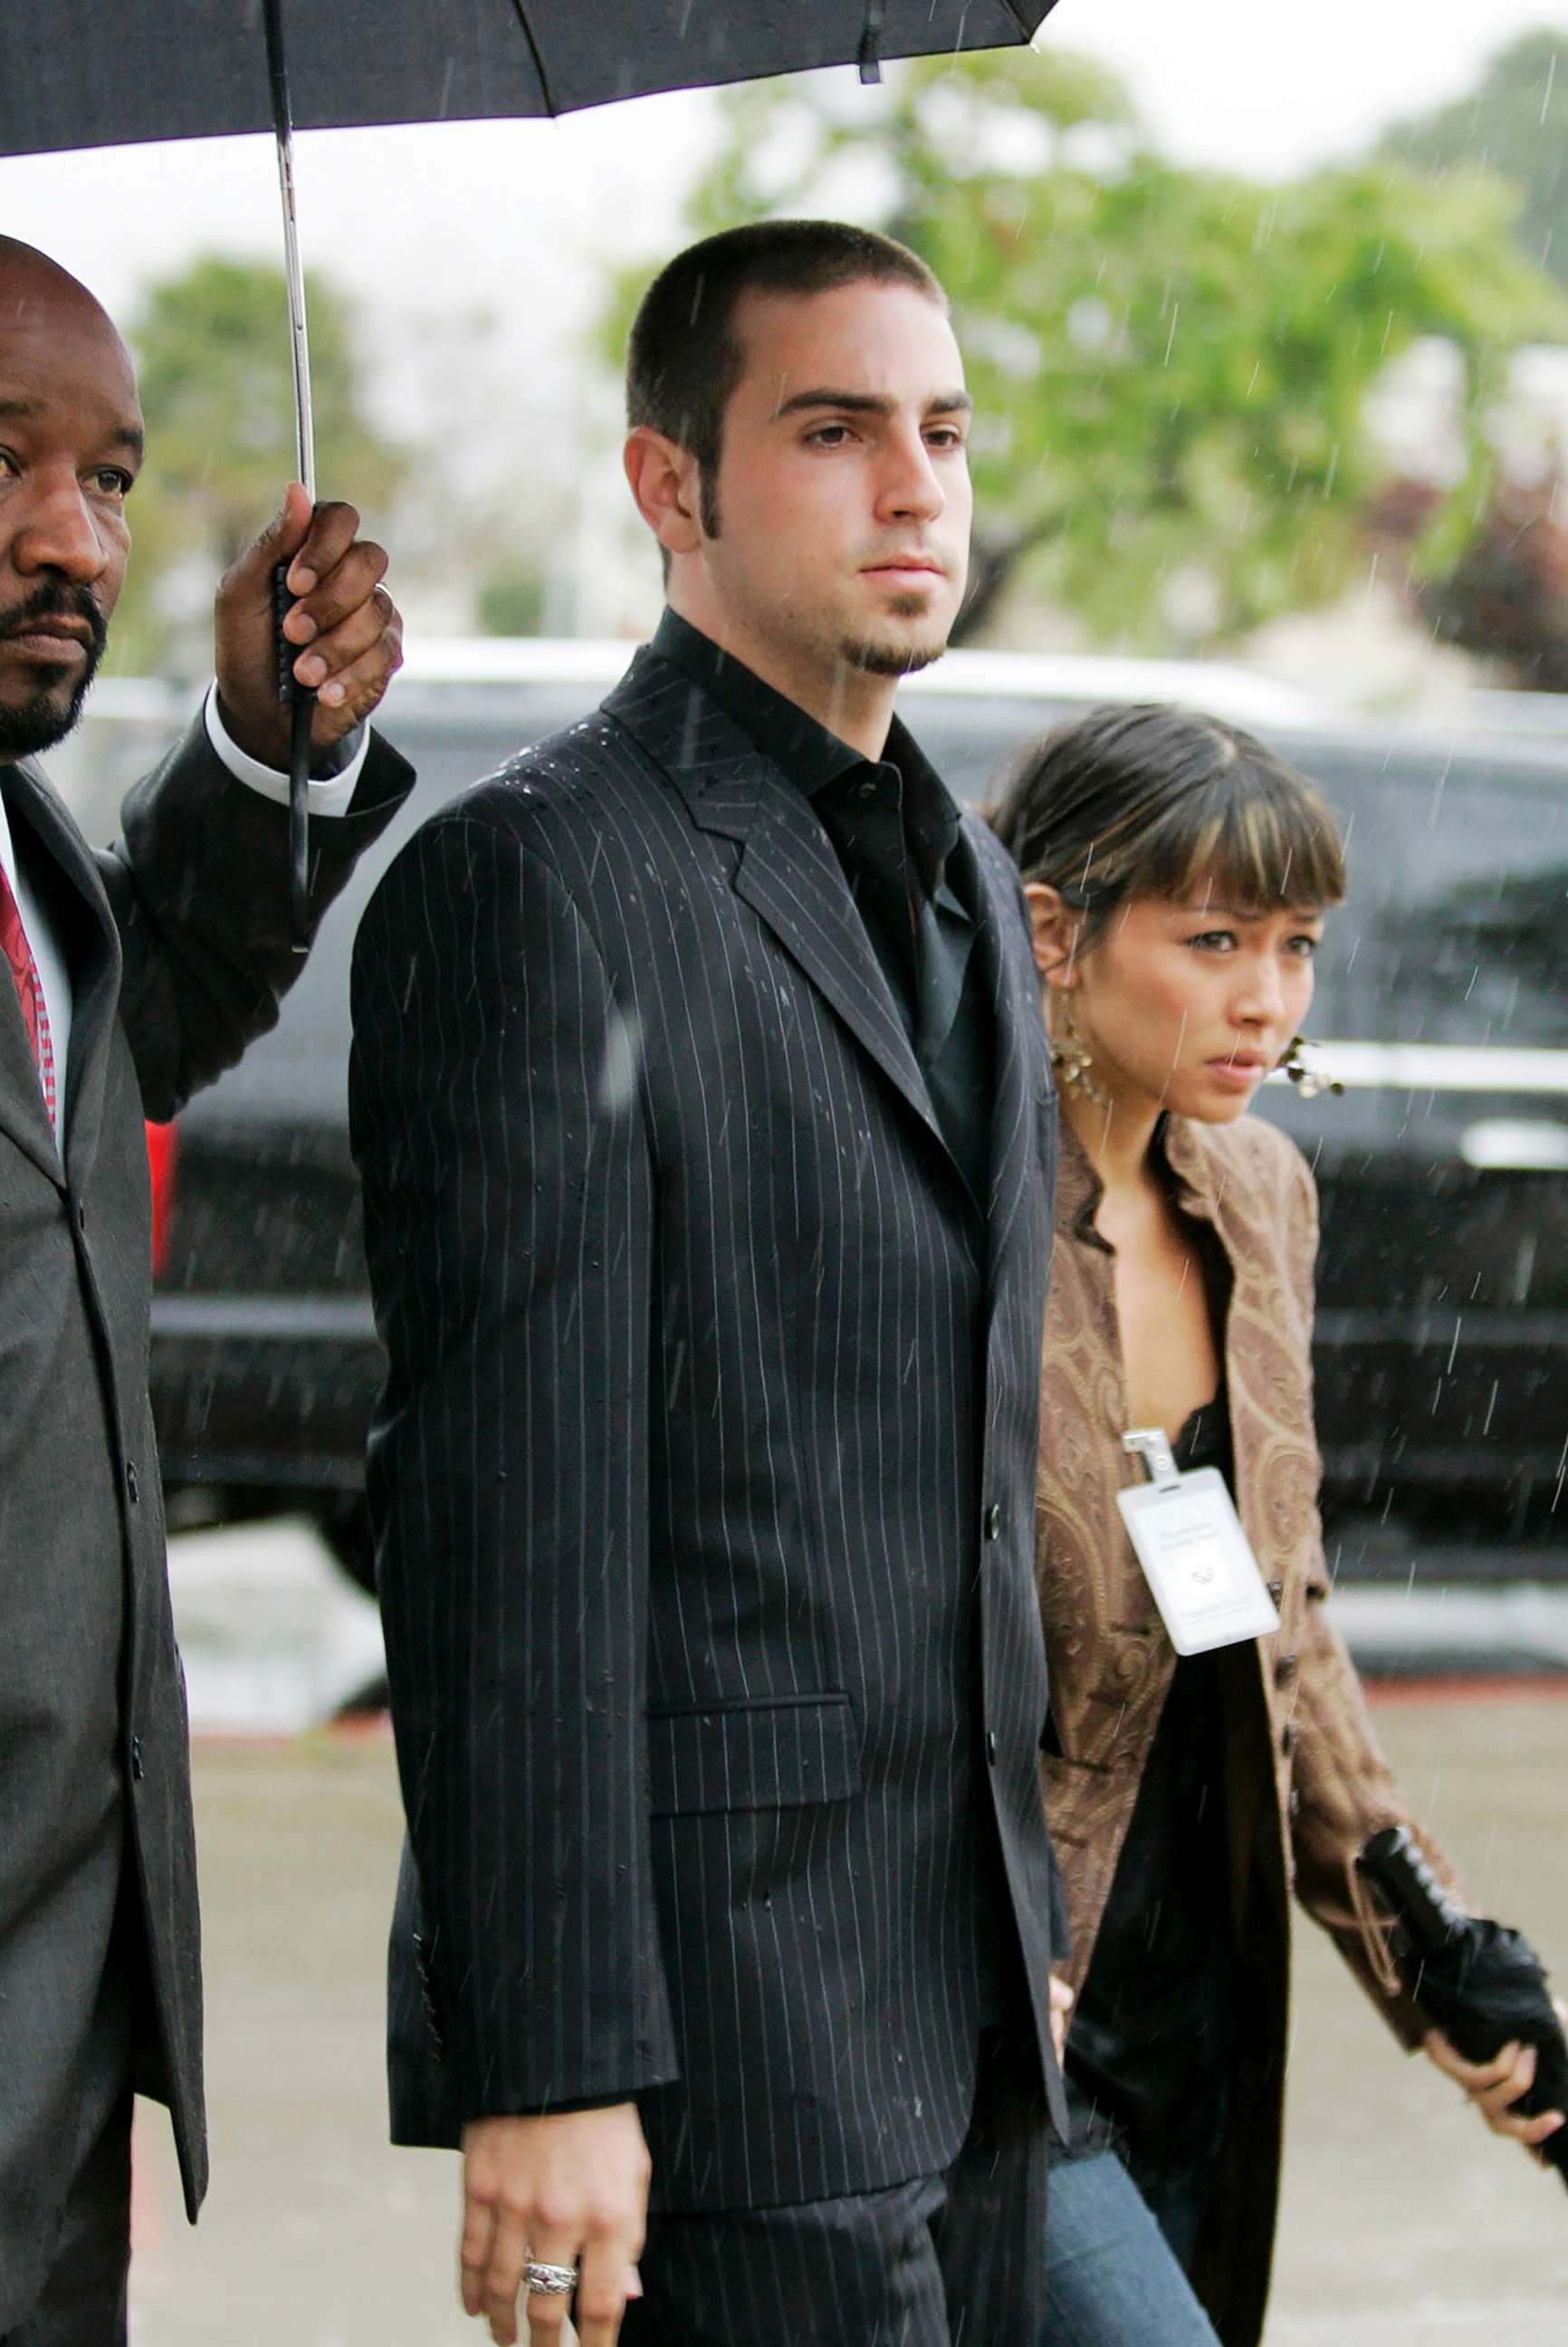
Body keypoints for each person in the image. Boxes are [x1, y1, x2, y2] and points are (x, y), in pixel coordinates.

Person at [349, 219, 1069, 2347]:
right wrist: (552, 2060)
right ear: (671, 486)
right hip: (720, 2057)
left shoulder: (961, 875)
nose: (914, 485)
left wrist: (1011, 1904)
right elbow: (505, 1533)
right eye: (832, 430)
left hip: (972, 2031)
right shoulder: (535, 883)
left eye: (939, 430)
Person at [988, 703, 1567, 2347]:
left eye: (1298, 944)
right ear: (1054, 931)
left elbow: (1277, 1620)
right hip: (987, 1990)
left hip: (1192, 1972)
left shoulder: (1259, 1195)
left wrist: (1433, 1945)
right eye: (1216, 938)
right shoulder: (939, 1209)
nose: (1270, 998)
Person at [0, 235, 412, 2344]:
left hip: (62, 1986)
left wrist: (267, 743)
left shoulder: (27, 855)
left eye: (114, 480)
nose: (71, 538)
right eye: (4, 461)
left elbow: (147, 1013)